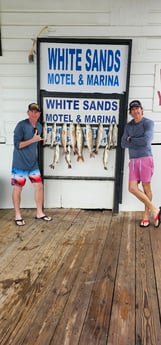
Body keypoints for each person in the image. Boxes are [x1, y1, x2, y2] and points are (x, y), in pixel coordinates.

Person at [121, 99, 161, 228]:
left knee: (146, 188)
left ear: (141, 109)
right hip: (133, 161)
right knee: (132, 188)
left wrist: (131, 139)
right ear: (131, 112)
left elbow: (147, 140)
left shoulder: (148, 123)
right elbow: (123, 143)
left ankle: (146, 215)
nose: (135, 111)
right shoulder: (129, 126)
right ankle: (155, 210)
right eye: (133, 109)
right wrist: (133, 140)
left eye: (137, 108)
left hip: (145, 159)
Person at [11, 102, 52, 226]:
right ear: (28, 113)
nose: (34, 114)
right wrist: (33, 140)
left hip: (32, 164)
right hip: (20, 164)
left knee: (39, 187)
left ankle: (39, 213)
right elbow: (18, 145)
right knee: (18, 189)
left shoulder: (39, 126)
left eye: (36, 112)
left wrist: (40, 140)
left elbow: (35, 142)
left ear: (39, 114)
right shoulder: (21, 125)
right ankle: (17, 215)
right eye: (32, 111)